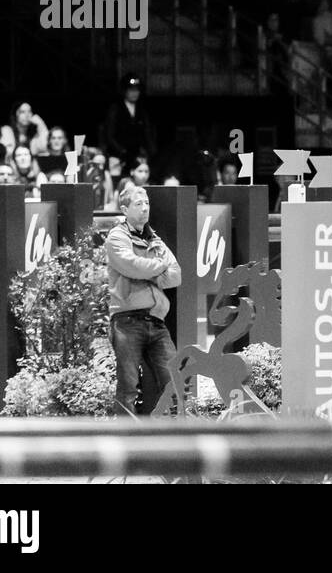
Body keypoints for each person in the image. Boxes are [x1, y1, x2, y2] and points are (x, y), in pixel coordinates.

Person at [105, 186, 182, 416]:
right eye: (138, 204)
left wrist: (145, 269)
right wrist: (159, 267)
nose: (145, 208)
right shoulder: (116, 237)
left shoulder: (155, 239)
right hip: (127, 320)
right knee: (128, 387)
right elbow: (131, 265)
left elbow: (176, 275)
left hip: (157, 321)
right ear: (125, 209)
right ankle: (123, 442)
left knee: (174, 381)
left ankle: (177, 438)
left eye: (147, 203)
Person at [103, 74, 158, 172]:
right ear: (124, 91)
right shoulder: (115, 109)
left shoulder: (141, 111)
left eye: (137, 90)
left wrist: (149, 152)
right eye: (131, 90)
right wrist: (122, 152)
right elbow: (109, 136)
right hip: (118, 157)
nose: (134, 93)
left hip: (137, 158)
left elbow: (147, 133)